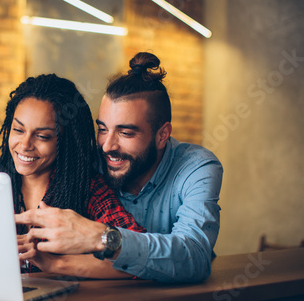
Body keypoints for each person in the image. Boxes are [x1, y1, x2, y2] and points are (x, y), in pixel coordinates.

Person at [15, 52, 223, 283]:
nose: (107, 146)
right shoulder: (88, 165)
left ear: (162, 135)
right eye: (103, 129)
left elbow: (193, 258)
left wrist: (102, 238)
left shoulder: (196, 167)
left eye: (125, 133)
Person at [0, 73, 146, 277]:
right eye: (18, 130)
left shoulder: (88, 189)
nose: (25, 145)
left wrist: (56, 263)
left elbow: (139, 258)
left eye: (42, 136)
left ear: (65, 141)